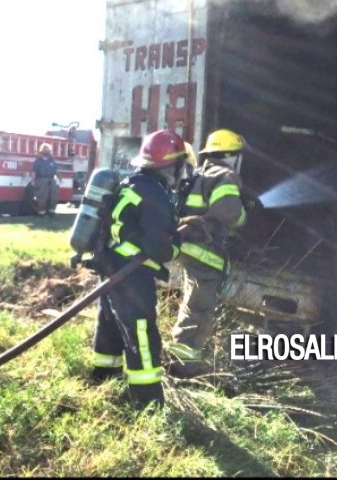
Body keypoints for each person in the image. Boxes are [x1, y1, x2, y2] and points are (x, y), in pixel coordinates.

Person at [91, 129, 186, 410]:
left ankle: (103, 379)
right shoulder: (155, 194)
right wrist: (178, 244)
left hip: (111, 265)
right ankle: (147, 403)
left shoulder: (132, 182)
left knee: (109, 324)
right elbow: (161, 249)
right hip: (132, 274)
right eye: (181, 164)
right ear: (172, 165)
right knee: (142, 333)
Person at [168, 128, 248, 378]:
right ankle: (182, 367)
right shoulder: (226, 174)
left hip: (188, 247)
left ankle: (186, 362)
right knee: (198, 309)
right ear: (231, 155)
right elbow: (229, 214)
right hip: (205, 252)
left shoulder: (199, 173)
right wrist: (245, 215)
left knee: (194, 305)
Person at [31, 143, 60, 216]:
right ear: (42, 150)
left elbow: (56, 171)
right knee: (42, 197)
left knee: (54, 196)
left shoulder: (52, 161)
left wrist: (58, 179)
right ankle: (41, 213)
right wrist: (33, 180)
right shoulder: (38, 161)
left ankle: (51, 212)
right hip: (41, 180)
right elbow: (34, 172)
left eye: (48, 149)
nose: (47, 151)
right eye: (45, 149)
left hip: (52, 180)